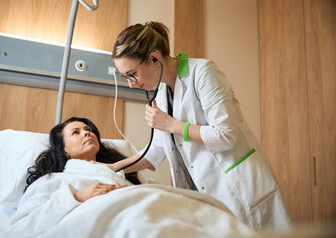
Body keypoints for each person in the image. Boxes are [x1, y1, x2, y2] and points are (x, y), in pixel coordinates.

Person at [107, 21, 291, 229]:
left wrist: (172, 125)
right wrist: (113, 168)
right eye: (126, 77)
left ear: (154, 57)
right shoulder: (162, 92)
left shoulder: (203, 72)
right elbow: (155, 152)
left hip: (239, 189)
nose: (131, 83)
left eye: (132, 74)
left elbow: (225, 135)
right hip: (205, 197)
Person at [10, 117, 139, 230]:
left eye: (88, 129)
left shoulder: (120, 177)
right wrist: (77, 197)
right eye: (76, 132)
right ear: (63, 149)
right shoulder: (52, 181)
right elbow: (21, 227)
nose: (87, 133)